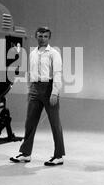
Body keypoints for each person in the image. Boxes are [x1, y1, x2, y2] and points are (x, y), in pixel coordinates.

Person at [10, 26, 65, 166]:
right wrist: (30, 88)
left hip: (49, 89)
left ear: (49, 38)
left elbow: (58, 73)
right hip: (35, 89)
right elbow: (30, 71)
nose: (42, 39)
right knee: (30, 122)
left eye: (45, 36)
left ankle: (58, 156)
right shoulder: (33, 53)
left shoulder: (54, 53)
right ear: (36, 36)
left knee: (55, 123)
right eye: (40, 36)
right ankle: (26, 154)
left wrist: (54, 92)